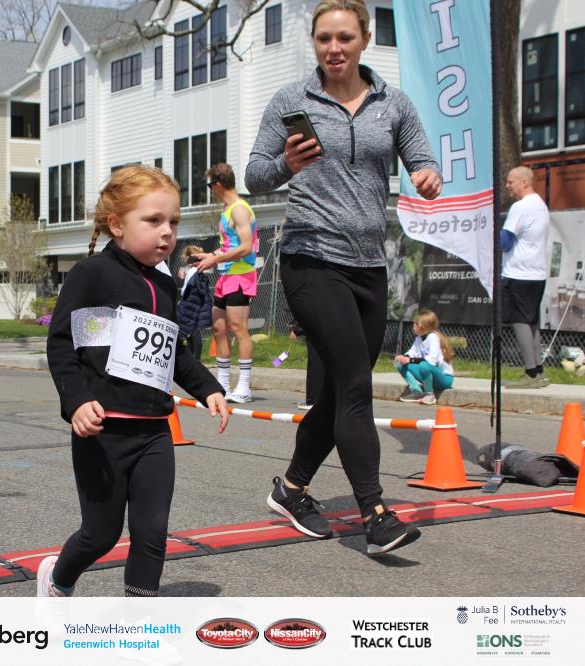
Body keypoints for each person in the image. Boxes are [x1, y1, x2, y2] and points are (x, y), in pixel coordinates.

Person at [245, 0, 442, 554]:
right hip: (310, 259)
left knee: (338, 391)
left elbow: (422, 159)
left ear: (364, 40)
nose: (334, 49)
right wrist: (287, 165)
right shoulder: (292, 100)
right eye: (324, 38)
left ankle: (291, 489)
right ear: (314, 42)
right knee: (356, 385)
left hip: (369, 265)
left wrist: (427, 176)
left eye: (345, 38)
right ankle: (375, 514)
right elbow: (255, 174)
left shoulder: (392, 103)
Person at [42, 165, 229, 598]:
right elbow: (66, 345)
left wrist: (209, 388)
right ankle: (57, 580)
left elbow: (173, 352)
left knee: (152, 533)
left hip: (154, 433)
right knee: (101, 534)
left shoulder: (165, 286)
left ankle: (140, 621)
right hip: (103, 431)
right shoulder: (94, 275)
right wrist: (77, 401)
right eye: (153, 220)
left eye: (173, 222)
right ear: (117, 225)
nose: (167, 232)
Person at [191, 163, 258, 403]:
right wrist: (209, 255)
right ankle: (222, 385)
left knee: (238, 328)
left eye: (210, 186)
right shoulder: (227, 210)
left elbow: (246, 247)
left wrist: (216, 259)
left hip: (241, 276)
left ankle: (244, 387)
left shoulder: (239, 210)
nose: (211, 190)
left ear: (217, 185)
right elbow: (230, 246)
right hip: (226, 276)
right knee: (219, 328)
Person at [501, 166, 550, 389]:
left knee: (520, 321)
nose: (507, 186)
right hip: (537, 272)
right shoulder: (540, 204)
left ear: (524, 182)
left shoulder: (520, 207)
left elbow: (505, 242)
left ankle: (530, 373)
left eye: (510, 182)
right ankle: (539, 370)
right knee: (532, 322)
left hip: (518, 272)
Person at [395, 309, 455, 406]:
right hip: (429, 374)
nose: (413, 325)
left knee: (424, 365)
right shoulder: (419, 338)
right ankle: (417, 392)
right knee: (400, 364)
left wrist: (410, 360)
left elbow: (431, 360)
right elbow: (411, 352)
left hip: (444, 379)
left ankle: (430, 395)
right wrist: (404, 357)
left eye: (415, 323)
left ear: (420, 326)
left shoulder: (433, 337)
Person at [176, 245, 212, 360]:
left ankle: (196, 359)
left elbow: (190, 289)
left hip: (191, 304)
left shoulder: (195, 271)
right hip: (191, 303)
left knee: (193, 332)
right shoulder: (192, 270)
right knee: (190, 333)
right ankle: (193, 359)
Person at [289, 320, 324, 411]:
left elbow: (311, 315)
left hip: (317, 333)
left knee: (316, 365)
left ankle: (314, 400)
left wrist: (297, 330)